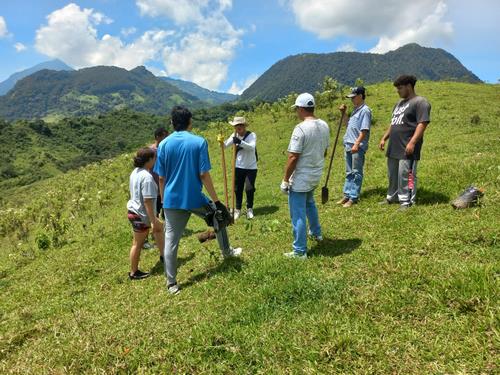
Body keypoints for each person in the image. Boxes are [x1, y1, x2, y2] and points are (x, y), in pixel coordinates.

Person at [154, 106, 242, 295]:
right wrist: (217, 202)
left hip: (171, 200)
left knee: (171, 240)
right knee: (218, 218)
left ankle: (172, 283)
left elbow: (161, 178)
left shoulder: (163, 145)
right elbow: (203, 174)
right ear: (190, 122)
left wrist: (162, 202)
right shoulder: (199, 142)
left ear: (172, 122)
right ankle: (227, 252)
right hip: (194, 197)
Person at [280, 93, 330, 259]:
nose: (297, 113)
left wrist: (285, 180)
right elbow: (324, 151)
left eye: (297, 110)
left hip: (301, 178)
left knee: (298, 212)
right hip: (316, 174)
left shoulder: (300, 128)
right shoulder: (324, 125)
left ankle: (300, 251)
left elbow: (293, 157)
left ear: (301, 109)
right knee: (310, 203)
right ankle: (316, 233)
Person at [378, 75, 431, 210]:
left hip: (407, 147)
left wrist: (412, 142)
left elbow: (422, 123)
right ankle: (392, 197)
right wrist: (384, 138)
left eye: (400, 88)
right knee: (393, 175)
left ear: (409, 86)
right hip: (394, 147)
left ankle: (407, 201)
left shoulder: (420, 102)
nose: (398, 91)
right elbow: (393, 123)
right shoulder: (399, 104)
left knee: (407, 175)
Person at [126, 148, 165, 280]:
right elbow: (147, 201)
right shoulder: (147, 177)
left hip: (134, 211)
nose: (155, 160)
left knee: (157, 231)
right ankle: (133, 272)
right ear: (149, 160)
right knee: (137, 244)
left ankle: (163, 256)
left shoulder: (135, 172)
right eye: (154, 158)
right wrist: (153, 219)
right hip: (141, 214)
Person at [337, 87, 372, 207]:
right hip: (348, 144)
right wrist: (343, 113)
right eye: (350, 97)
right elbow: (347, 125)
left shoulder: (365, 111)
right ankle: (346, 195)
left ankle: (353, 197)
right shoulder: (355, 110)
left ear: (361, 96)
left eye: (354, 97)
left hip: (356, 146)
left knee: (356, 172)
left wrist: (357, 144)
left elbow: (364, 130)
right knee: (349, 172)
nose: (352, 99)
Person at [220, 116, 258, 220]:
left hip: (251, 166)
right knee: (238, 189)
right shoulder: (234, 135)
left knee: (249, 188)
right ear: (235, 127)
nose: (239, 127)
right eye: (236, 126)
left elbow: (251, 147)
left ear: (244, 126)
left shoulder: (251, 135)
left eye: (241, 125)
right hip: (238, 166)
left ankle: (249, 209)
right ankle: (238, 209)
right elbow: (224, 146)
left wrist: (240, 142)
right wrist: (221, 141)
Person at [142, 127, 169, 251]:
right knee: (151, 213)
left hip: (161, 186)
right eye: (164, 136)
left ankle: (158, 232)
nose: (166, 139)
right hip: (151, 187)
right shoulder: (151, 151)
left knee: (159, 210)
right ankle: (147, 237)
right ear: (158, 137)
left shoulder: (164, 149)